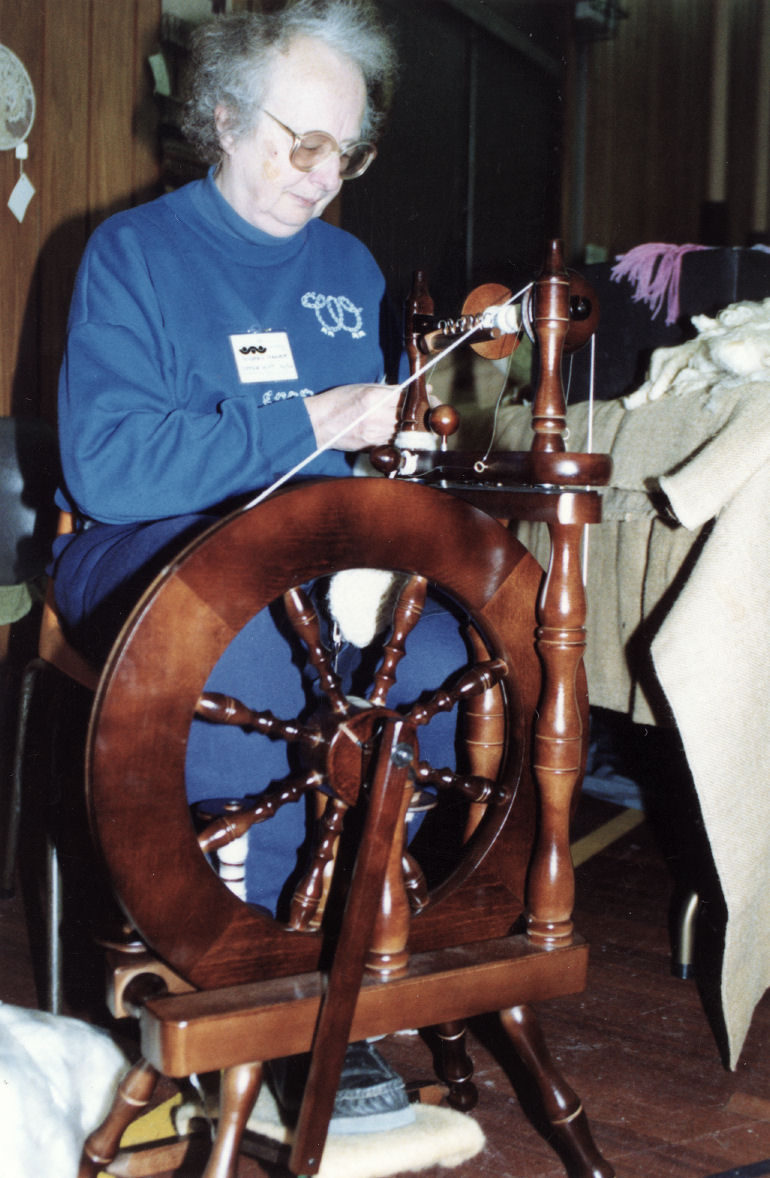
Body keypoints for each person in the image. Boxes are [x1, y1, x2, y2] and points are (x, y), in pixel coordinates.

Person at [52, 0, 467, 1136]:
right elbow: (113, 465)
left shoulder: (349, 264)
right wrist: (301, 417)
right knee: (252, 646)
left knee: (438, 653)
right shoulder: (130, 251)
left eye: (347, 149)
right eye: (298, 140)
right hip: (148, 544)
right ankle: (248, 980)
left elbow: (360, 455)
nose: (322, 174)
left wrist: (402, 455)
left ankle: (355, 955)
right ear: (222, 115)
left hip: (313, 554)